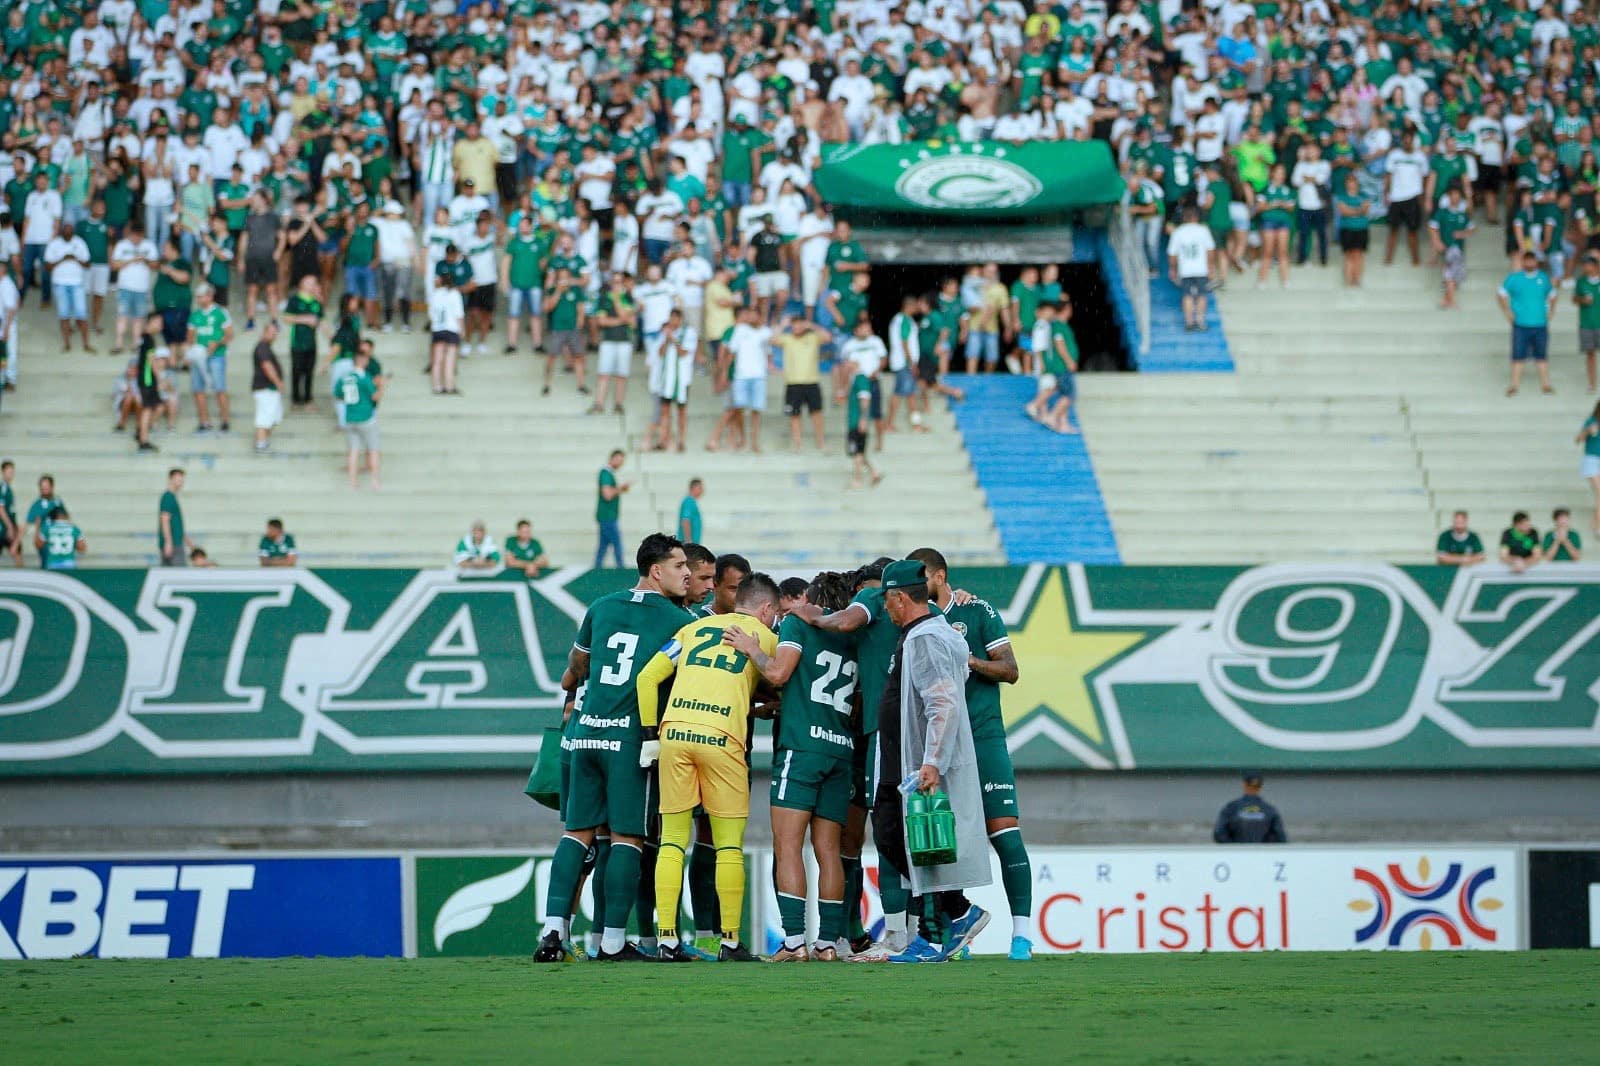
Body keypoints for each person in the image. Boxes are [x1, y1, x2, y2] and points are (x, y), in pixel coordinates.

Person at [534, 533, 694, 964]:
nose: (688, 574)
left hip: (584, 734)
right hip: (628, 739)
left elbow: (577, 665)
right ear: (656, 570)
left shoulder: (601, 606)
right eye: (680, 566)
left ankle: (553, 931)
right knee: (628, 838)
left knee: (576, 833)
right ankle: (611, 942)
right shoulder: (681, 621)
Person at [635, 571, 782, 963]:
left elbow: (647, 678)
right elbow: (778, 677)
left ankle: (667, 939)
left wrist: (651, 735)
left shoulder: (693, 629)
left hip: (675, 734)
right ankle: (730, 942)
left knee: (671, 841)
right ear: (766, 609)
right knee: (728, 846)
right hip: (722, 738)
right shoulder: (763, 636)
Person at [907, 547, 1034, 960]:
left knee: (1004, 833)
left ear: (940, 576)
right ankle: (954, 938)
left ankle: (1022, 935)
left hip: (983, 736)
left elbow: (1010, 670)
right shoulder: (915, 619)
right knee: (945, 837)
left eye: (922, 576)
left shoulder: (975, 610)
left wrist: (970, 660)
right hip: (943, 743)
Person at [723, 570, 857, 961]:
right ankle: (829, 943)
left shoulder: (799, 627)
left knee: (788, 846)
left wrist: (752, 648)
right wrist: (786, 704)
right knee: (829, 850)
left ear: (811, 601)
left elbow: (778, 672)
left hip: (801, 748)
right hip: (839, 749)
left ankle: (796, 942)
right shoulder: (852, 637)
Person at [866, 559, 993, 963]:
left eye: (888, 600)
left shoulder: (924, 638)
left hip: (912, 760)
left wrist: (932, 762)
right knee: (913, 843)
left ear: (900, 598)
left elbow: (944, 701)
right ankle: (943, 924)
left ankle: (957, 913)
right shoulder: (931, 634)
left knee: (893, 834)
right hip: (904, 756)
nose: (885, 608)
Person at [1498, 252, 1559, 397]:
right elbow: (1500, 294)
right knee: (1518, 355)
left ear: (1536, 262)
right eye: (1527, 261)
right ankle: (1514, 385)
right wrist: (1507, 312)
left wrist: (1551, 311)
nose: (1530, 263)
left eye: (1532, 261)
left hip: (1539, 323)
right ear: (1523, 262)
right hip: (1520, 323)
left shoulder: (1543, 278)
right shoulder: (1514, 278)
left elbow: (1553, 295)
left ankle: (1545, 384)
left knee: (1541, 355)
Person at [185, 284, 232, 433]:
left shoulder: (221, 313)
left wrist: (217, 343)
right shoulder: (195, 315)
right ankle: (204, 421)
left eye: (201, 296)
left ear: (210, 296)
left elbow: (229, 335)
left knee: (219, 388)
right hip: (200, 356)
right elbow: (190, 337)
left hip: (216, 356)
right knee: (198, 389)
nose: (199, 300)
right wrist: (190, 353)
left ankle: (225, 420)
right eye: (197, 297)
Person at [776, 316, 827, 452]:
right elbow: (771, 339)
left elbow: (828, 337)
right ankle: (797, 444)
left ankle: (821, 442)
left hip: (812, 382)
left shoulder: (813, 337)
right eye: (794, 325)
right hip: (793, 383)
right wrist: (782, 325)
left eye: (800, 325)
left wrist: (812, 325)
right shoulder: (787, 338)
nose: (797, 328)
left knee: (817, 413)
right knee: (794, 414)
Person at [336, 347, 382, 491]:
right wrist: (382, 387)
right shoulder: (364, 376)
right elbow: (374, 396)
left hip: (350, 417)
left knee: (353, 450)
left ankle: (353, 482)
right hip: (365, 417)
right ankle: (374, 481)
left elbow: (338, 394)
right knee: (373, 449)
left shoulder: (344, 377)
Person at [591, 273, 637, 416]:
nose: (617, 285)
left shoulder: (628, 298)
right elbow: (602, 321)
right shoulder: (604, 298)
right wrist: (622, 319)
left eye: (620, 282)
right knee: (604, 374)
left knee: (621, 375)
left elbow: (632, 323)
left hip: (625, 341)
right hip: (608, 341)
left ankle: (618, 404)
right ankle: (599, 404)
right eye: (615, 282)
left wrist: (618, 303)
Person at [45, 221, 94, 352]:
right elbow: (47, 266)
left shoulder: (80, 243)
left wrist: (75, 258)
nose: (67, 232)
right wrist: (62, 258)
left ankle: (86, 344)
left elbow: (88, 264)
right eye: (65, 230)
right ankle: (67, 344)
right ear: (62, 231)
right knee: (64, 315)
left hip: (77, 283)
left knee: (82, 315)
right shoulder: (54, 243)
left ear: (73, 231)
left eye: (70, 229)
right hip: (60, 283)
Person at [1168, 206, 1215, 332]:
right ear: (1196, 217)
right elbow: (1210, 250)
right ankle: (1200, 321)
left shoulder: (1178, 232)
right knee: (1201, 295)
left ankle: (1189, 322)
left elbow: (1172, 254)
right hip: (1201, 268)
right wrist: (1211, 267)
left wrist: (1173, 268)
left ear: (1184, 218)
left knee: (1187, 295)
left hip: (1185, 269)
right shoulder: (1203, 230)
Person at [1429, 186, 1476, 311]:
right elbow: (1432, 227)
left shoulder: (1463, 215)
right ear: (1448, 197)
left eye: (1457, 195)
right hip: (1449, 248)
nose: (1455, 197)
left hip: (1459, 249)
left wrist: (1463, 234)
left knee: (1453, 274)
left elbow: (1472, 228)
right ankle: (1451, 301)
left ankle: (1445, 299)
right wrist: (1437, 242)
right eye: (1453, 194)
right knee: (1451, 273)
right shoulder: (1442, 213)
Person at [282, 275, 324, 410]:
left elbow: (321, 320)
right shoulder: (295, 300)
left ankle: (308, 400)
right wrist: (304, 319)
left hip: (312, 343)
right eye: (309, 283)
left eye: (314, 283)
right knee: (296, 371)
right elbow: (286, 318)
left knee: (309, 372)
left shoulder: (316, 301)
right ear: (302, 285)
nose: (312, 286)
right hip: (297, 343)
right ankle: (295, 399)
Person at [1212, 772, 1289, 843]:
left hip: (1237, 855)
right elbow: (1280, 837)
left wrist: (1235, 847)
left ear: (1244, 784)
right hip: (1262, 855)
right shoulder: (1270, 810)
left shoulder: (1231, 808)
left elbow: (1219, 834)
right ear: (1261, 786)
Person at [428, 270, 465, 397]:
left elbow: (431, 314)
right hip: (451, 329)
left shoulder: (435, 294)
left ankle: (437, 386)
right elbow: (459, 314)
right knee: (449, 359)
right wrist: (462, 329)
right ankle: (449, 386)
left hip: (438, 329)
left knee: (437, 359)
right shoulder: (455, 294)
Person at [1334, 172, 1373, 288]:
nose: (1351, 184)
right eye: (1349, 182)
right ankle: (1348, 281)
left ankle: (1357, 280)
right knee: (1349, 254)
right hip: (1347, 228)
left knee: (1359, 254)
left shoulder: (1364, 195)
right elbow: (1344, 211)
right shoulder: (1342, 196)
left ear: (1357, 183)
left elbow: (1366, 209)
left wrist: (1352, 211)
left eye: (1353, 181)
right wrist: (1358, 210)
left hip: (1361, 228)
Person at [251, 322, 285, 454]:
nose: (273, 335)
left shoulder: (266, 347)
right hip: (265, 388)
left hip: (270, 389)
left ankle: (264, 440)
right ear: (265, 331)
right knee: (264, 417)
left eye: (275, 333)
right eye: (271, 332)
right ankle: (260, 443)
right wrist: (278, 382)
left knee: (273, 417)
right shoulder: (262, 347)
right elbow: (267, 366)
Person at [594, 449, 630, 568]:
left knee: (603, 546)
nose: (620, 464)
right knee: (617, 543)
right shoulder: (605, 473)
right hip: (607, 516)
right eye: (619, 460)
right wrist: (620, 488)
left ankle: (596, 569)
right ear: (612, 458)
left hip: (608, 515)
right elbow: (607, 494)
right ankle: (621, 569)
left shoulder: (607, 473)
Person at [1575, 254, 1600, 395]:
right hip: (1586, 323)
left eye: (1588, 264)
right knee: (1590, 354)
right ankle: (1592, 383)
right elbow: (1574, 298)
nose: (1585, 267)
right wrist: (1582, 300)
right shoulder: (1581, 282)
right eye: (1584, 265)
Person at [158, 468, 193, 567]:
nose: (181, 482)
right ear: (171, 479)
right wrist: (168, 542)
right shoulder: (167, 497)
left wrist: (187, 541)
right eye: (179, 479)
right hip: (174, 544)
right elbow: (165, 520)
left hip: (176, 542)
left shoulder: (172, 497)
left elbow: (176, 524)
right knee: (179, 573)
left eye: (182, 480)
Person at [37, 505, 86, 570]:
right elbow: (82, 549)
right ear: (65, 515)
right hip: (69, 563)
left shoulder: (47, 528)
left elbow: (39, 545)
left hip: (52, 563)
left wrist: (37, 526)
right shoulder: (74, 529)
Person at [1580, 401, 1600, 534]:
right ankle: (1597, 526)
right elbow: (1578, 439)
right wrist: (1588, 431)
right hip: (1591, 460)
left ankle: (1594, 524)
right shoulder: (1591, 421)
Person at [0, 460, 18, 567]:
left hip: (5, 528)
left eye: (12, 472)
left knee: (16, 552)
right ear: (3, 472)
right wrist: (10, 527)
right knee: (17, 553)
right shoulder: (3, 488)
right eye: (9, 472)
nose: (11, 474)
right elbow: (1, 509)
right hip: (3, 530)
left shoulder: (8, 488)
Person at [679, 479, 705, 545]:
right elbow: (685, 521)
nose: (702, 490)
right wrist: (688, 541)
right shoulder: (689, 502)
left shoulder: (691, 501)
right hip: (688, 544)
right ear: (694, 488)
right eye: (700, 488)